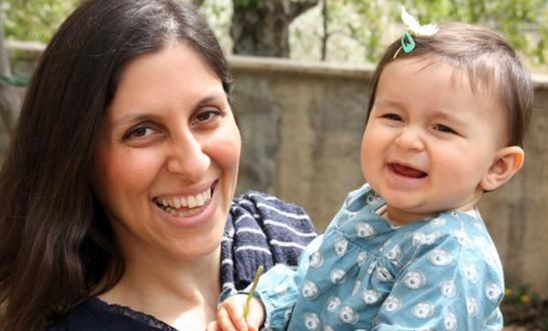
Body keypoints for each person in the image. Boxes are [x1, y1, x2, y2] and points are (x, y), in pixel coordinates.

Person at [0, 1, 318, 331]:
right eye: (142, 131)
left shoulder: (282, 232)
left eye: (206, 114)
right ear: (78, 156)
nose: (194, 164)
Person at [210, 12, 534, 331]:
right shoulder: (367, 203)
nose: (407, 140)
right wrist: (261, 305)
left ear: (496, 167)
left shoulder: (454, 256)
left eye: (442, 127)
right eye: (393, 116)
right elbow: (309, 278)